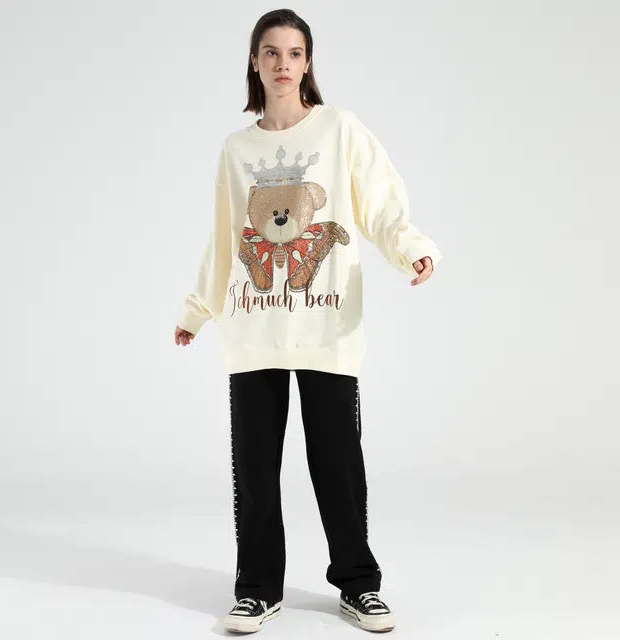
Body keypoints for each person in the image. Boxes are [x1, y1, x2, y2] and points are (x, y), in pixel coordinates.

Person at [174, 8, 443, 635]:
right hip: (254, 327)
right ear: (254, 61)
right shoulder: (237, 149)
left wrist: (410, 246)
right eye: (270, 52)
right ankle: (256, 589)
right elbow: (225, 237)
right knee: (255, 466)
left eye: (294, 54)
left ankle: (358, 585)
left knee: (337, 461)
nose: (282, 65)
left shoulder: (339, 129)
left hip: (327, 327)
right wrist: (199, 309)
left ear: (308, 63)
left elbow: (380, 203)